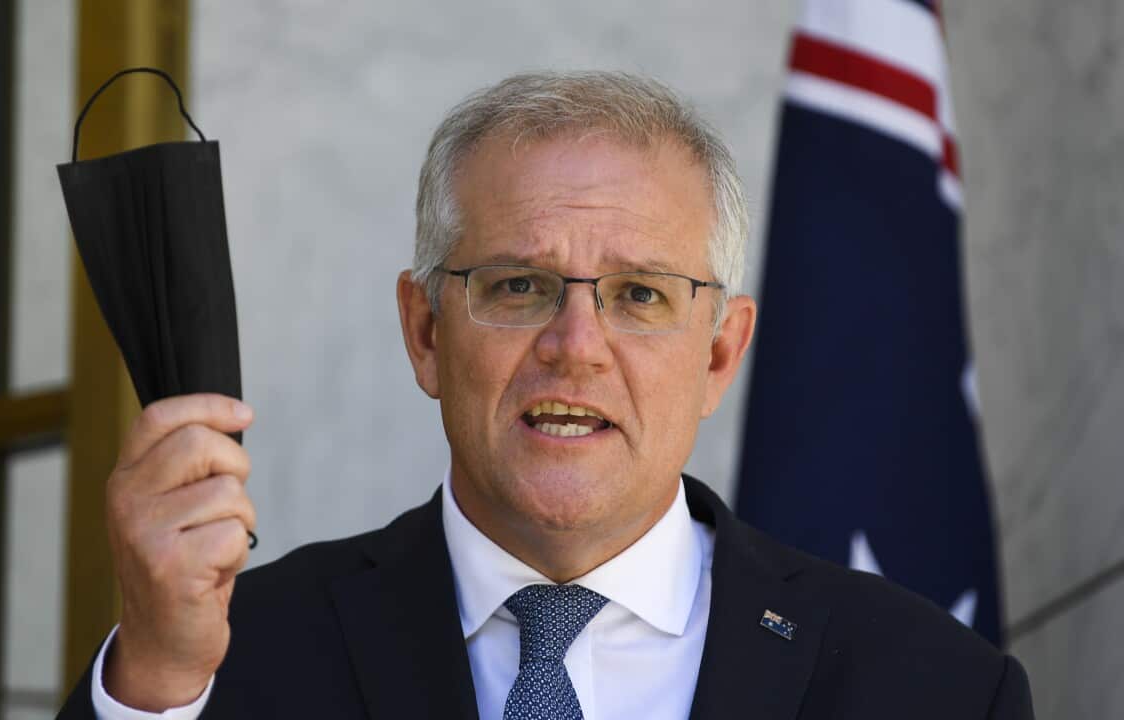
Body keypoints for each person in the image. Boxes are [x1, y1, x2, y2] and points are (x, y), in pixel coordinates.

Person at [59, 72, 1033, 719]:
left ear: (718, 354)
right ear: (425, 331)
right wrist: (155, 683)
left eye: (640, 295)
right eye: (517, 286)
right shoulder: (219, 665)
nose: (575, 349)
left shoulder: (933, 690)